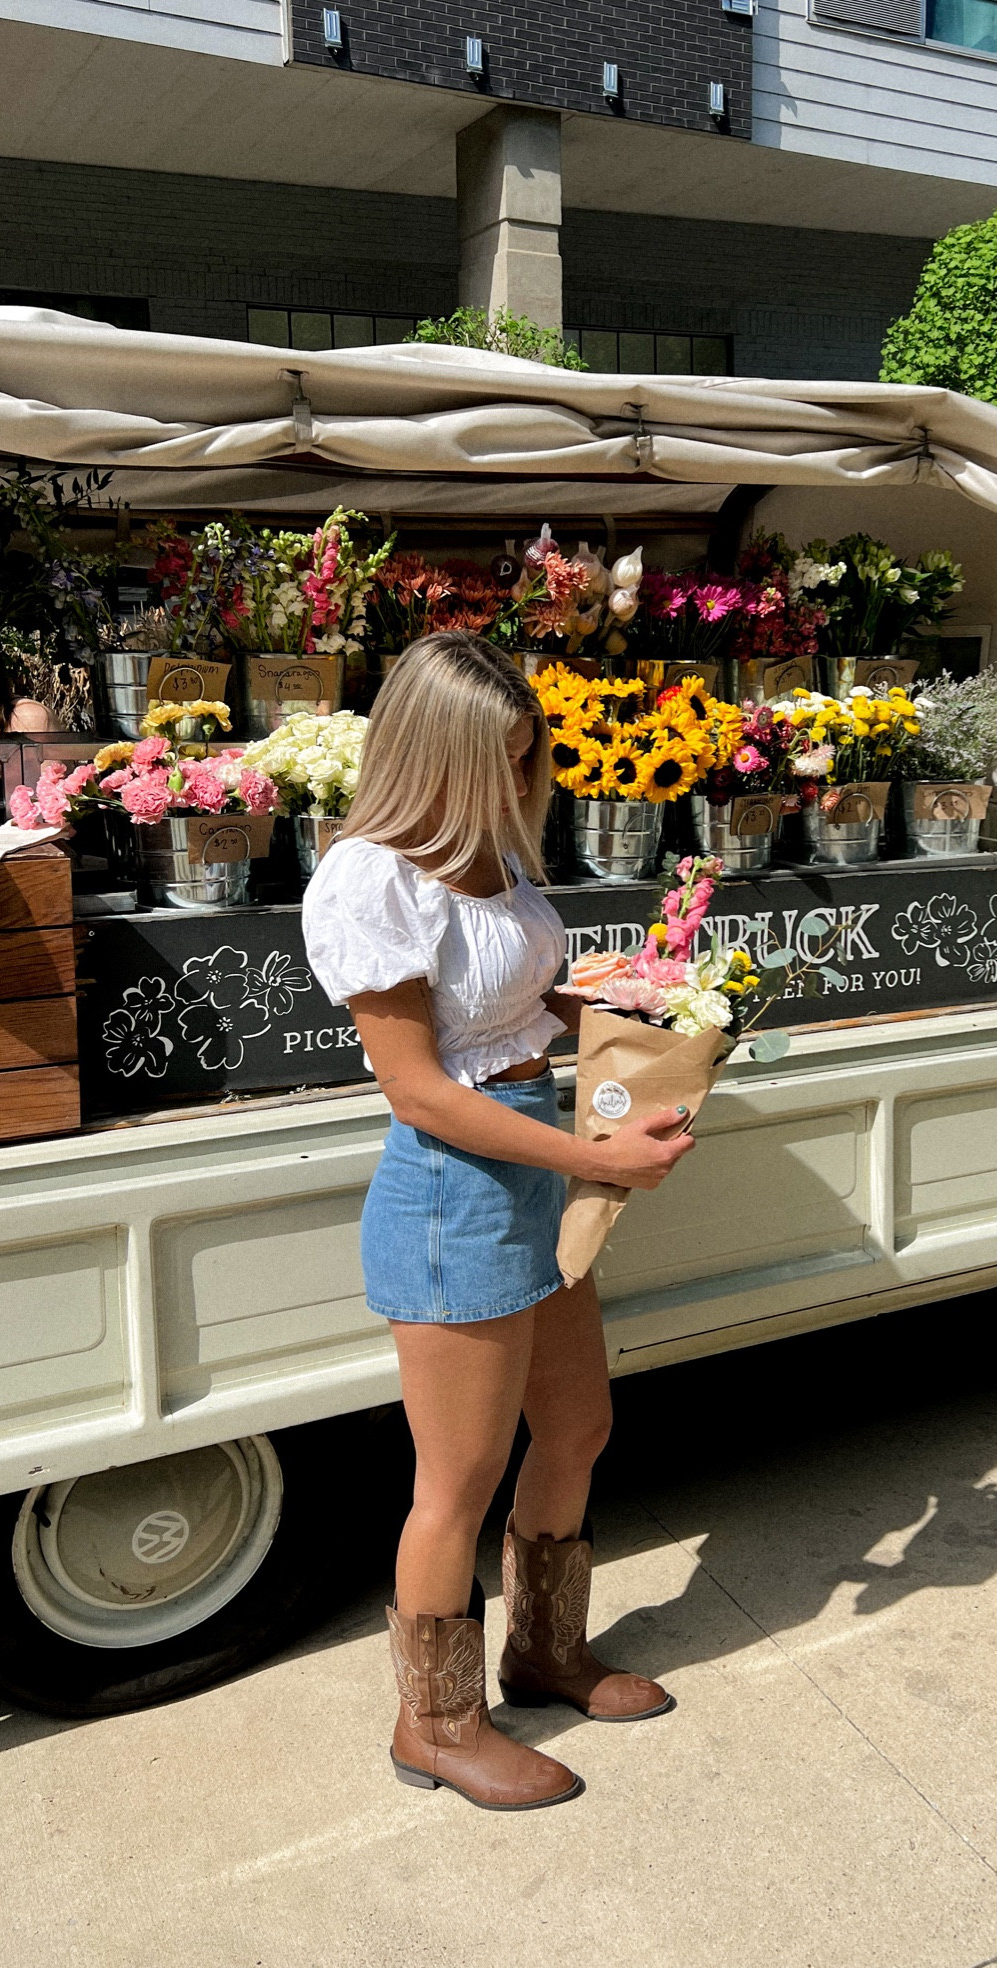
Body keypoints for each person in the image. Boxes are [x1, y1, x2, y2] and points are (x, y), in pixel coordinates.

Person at [302, 632, 693, 1812]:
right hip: (452, 1189)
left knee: (577, 1425)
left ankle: (544, 1650)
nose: (518, 777)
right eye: (500, 756)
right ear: (433, 752)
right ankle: (435, 1720)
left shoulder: (494, 860)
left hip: (529, 1174)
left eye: (527, 754)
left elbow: (510, 1003)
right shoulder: (372, 876)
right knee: (458, 1474)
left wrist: (620, 1012)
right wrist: (595, 1158)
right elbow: (420, 1088)